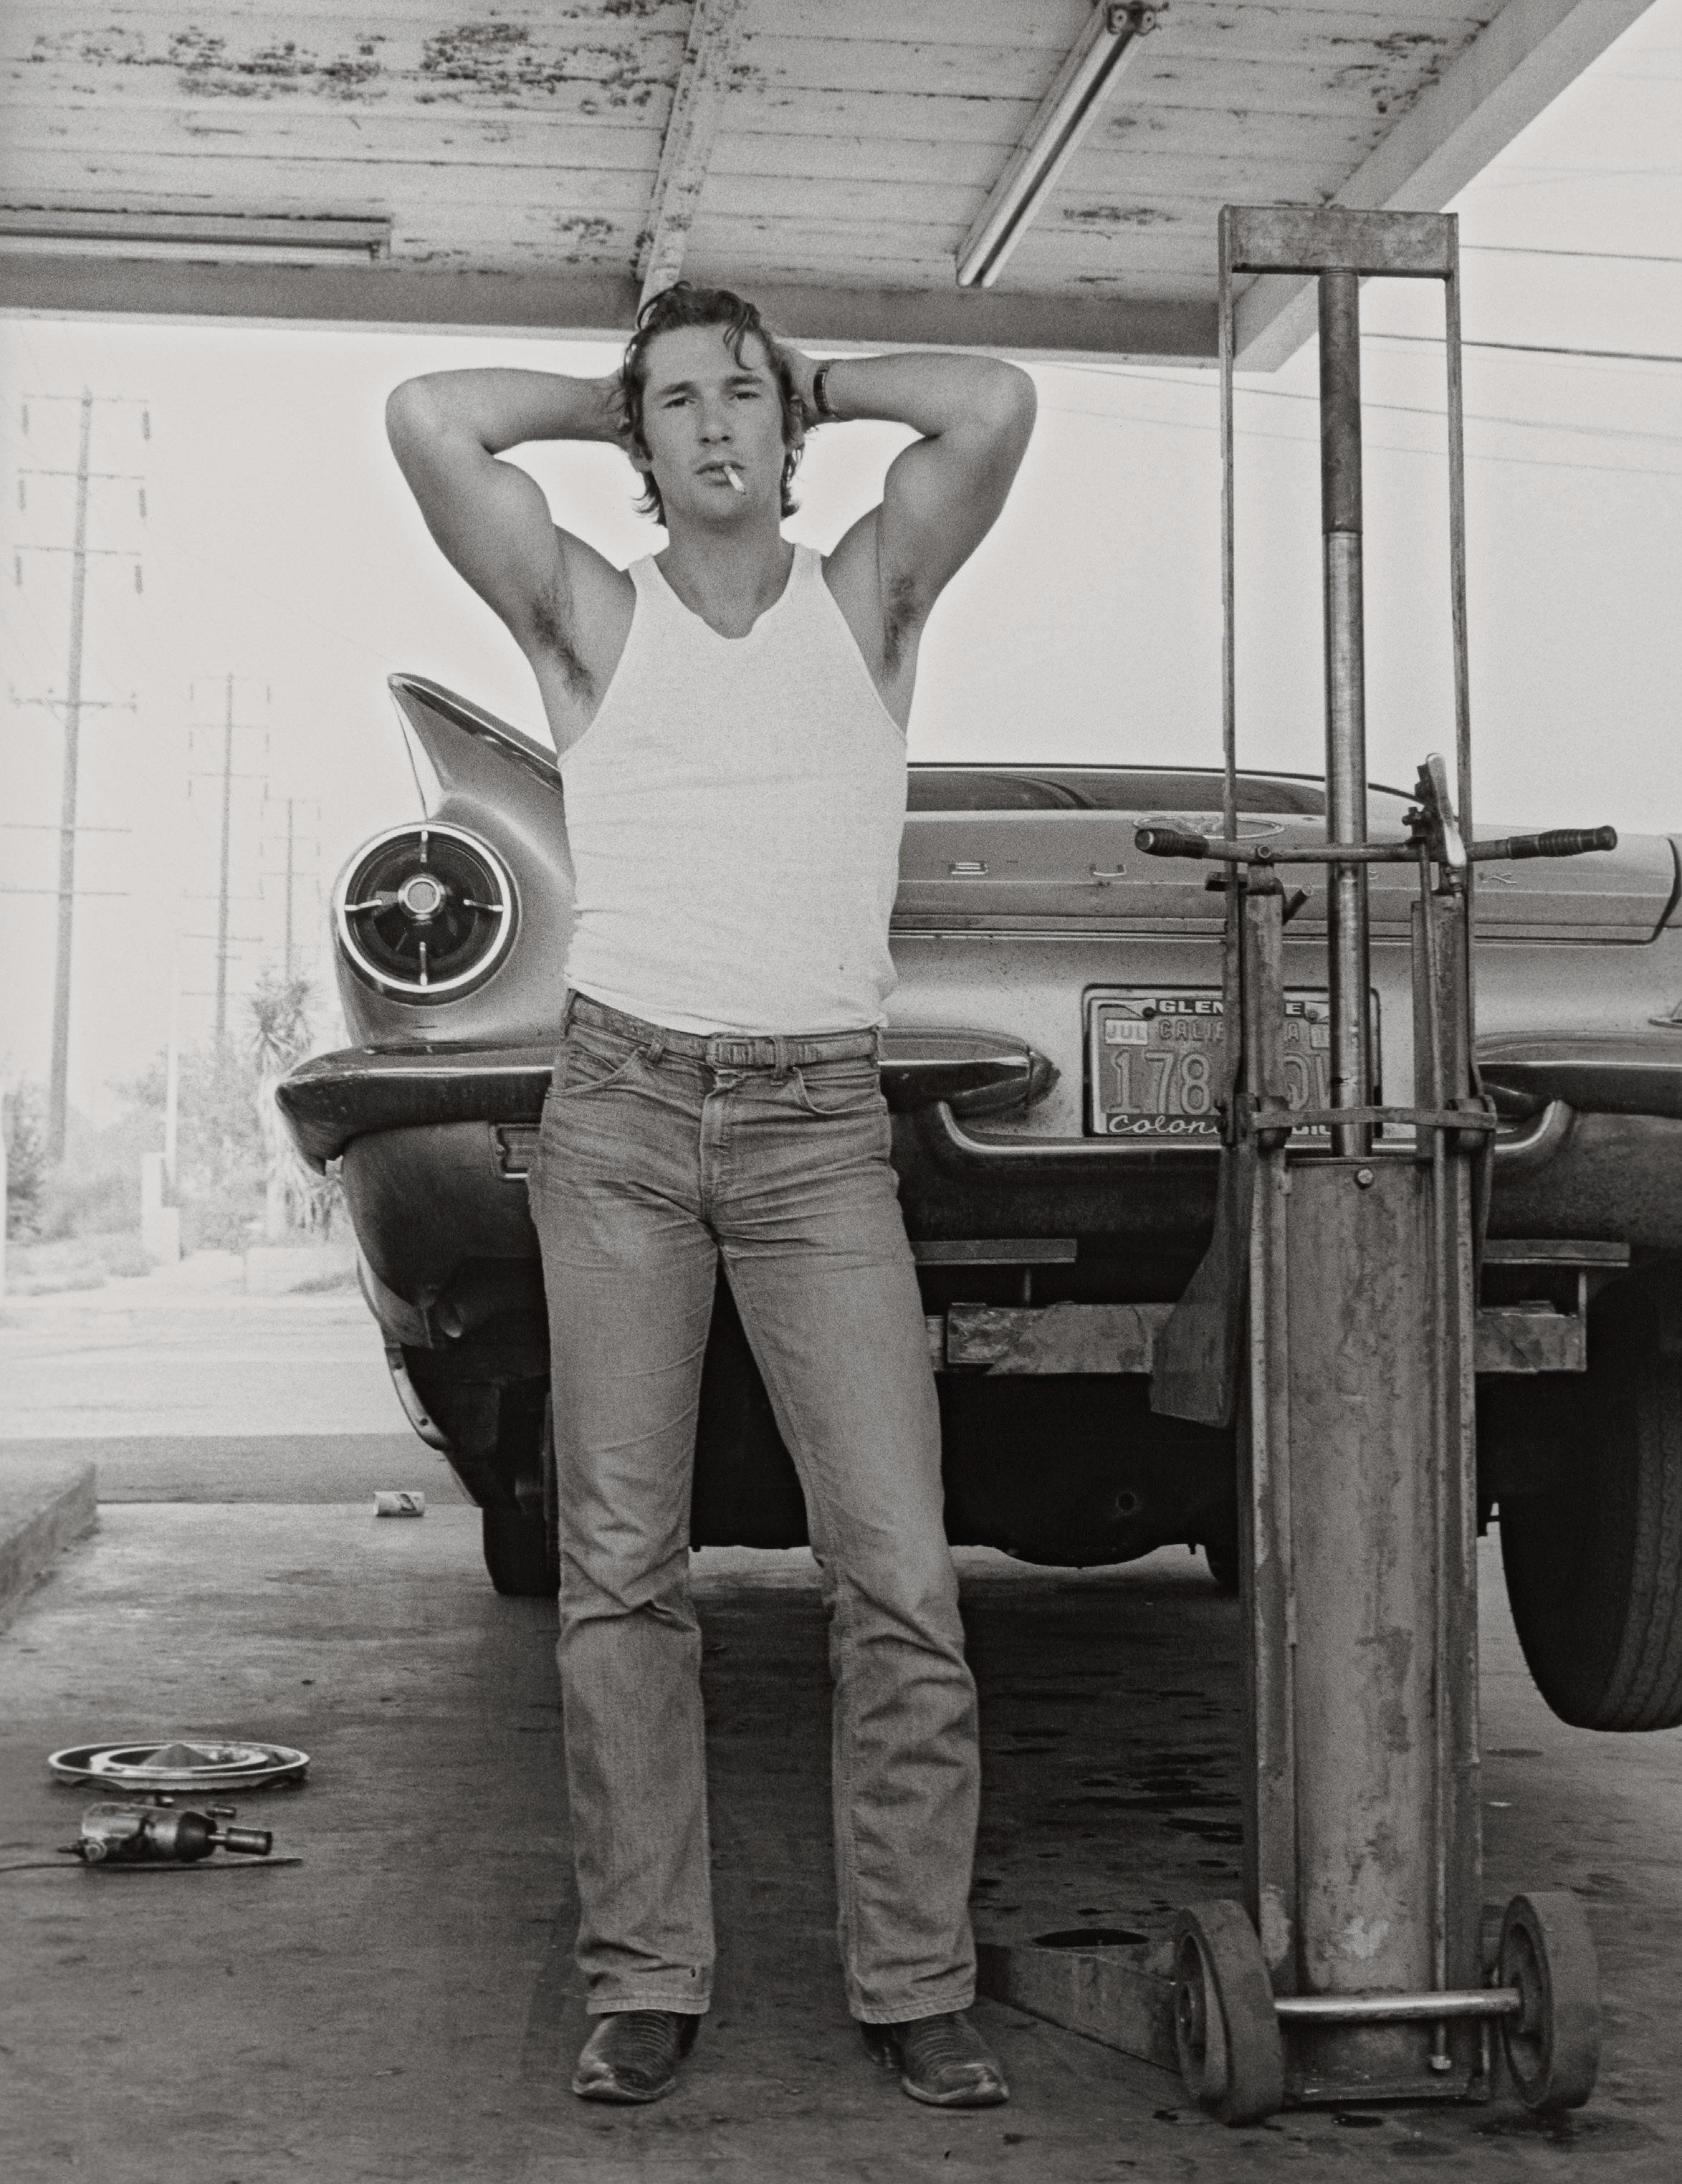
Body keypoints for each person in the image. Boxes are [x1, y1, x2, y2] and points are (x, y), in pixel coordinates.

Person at [385, 284, 1036, 2109]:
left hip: (819, 1130)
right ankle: (645, 1976)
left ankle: (916, 1983)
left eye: (743, 395)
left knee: (897, 1567)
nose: (716, 422)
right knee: (620, 1570)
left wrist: (816, 373)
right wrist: (615, 396)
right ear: (645, 443)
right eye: (679, 403)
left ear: (789, 426)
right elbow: (430, 414)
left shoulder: (868, 602)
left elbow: (993, 403)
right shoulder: (592, 621)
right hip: (621, 1118)